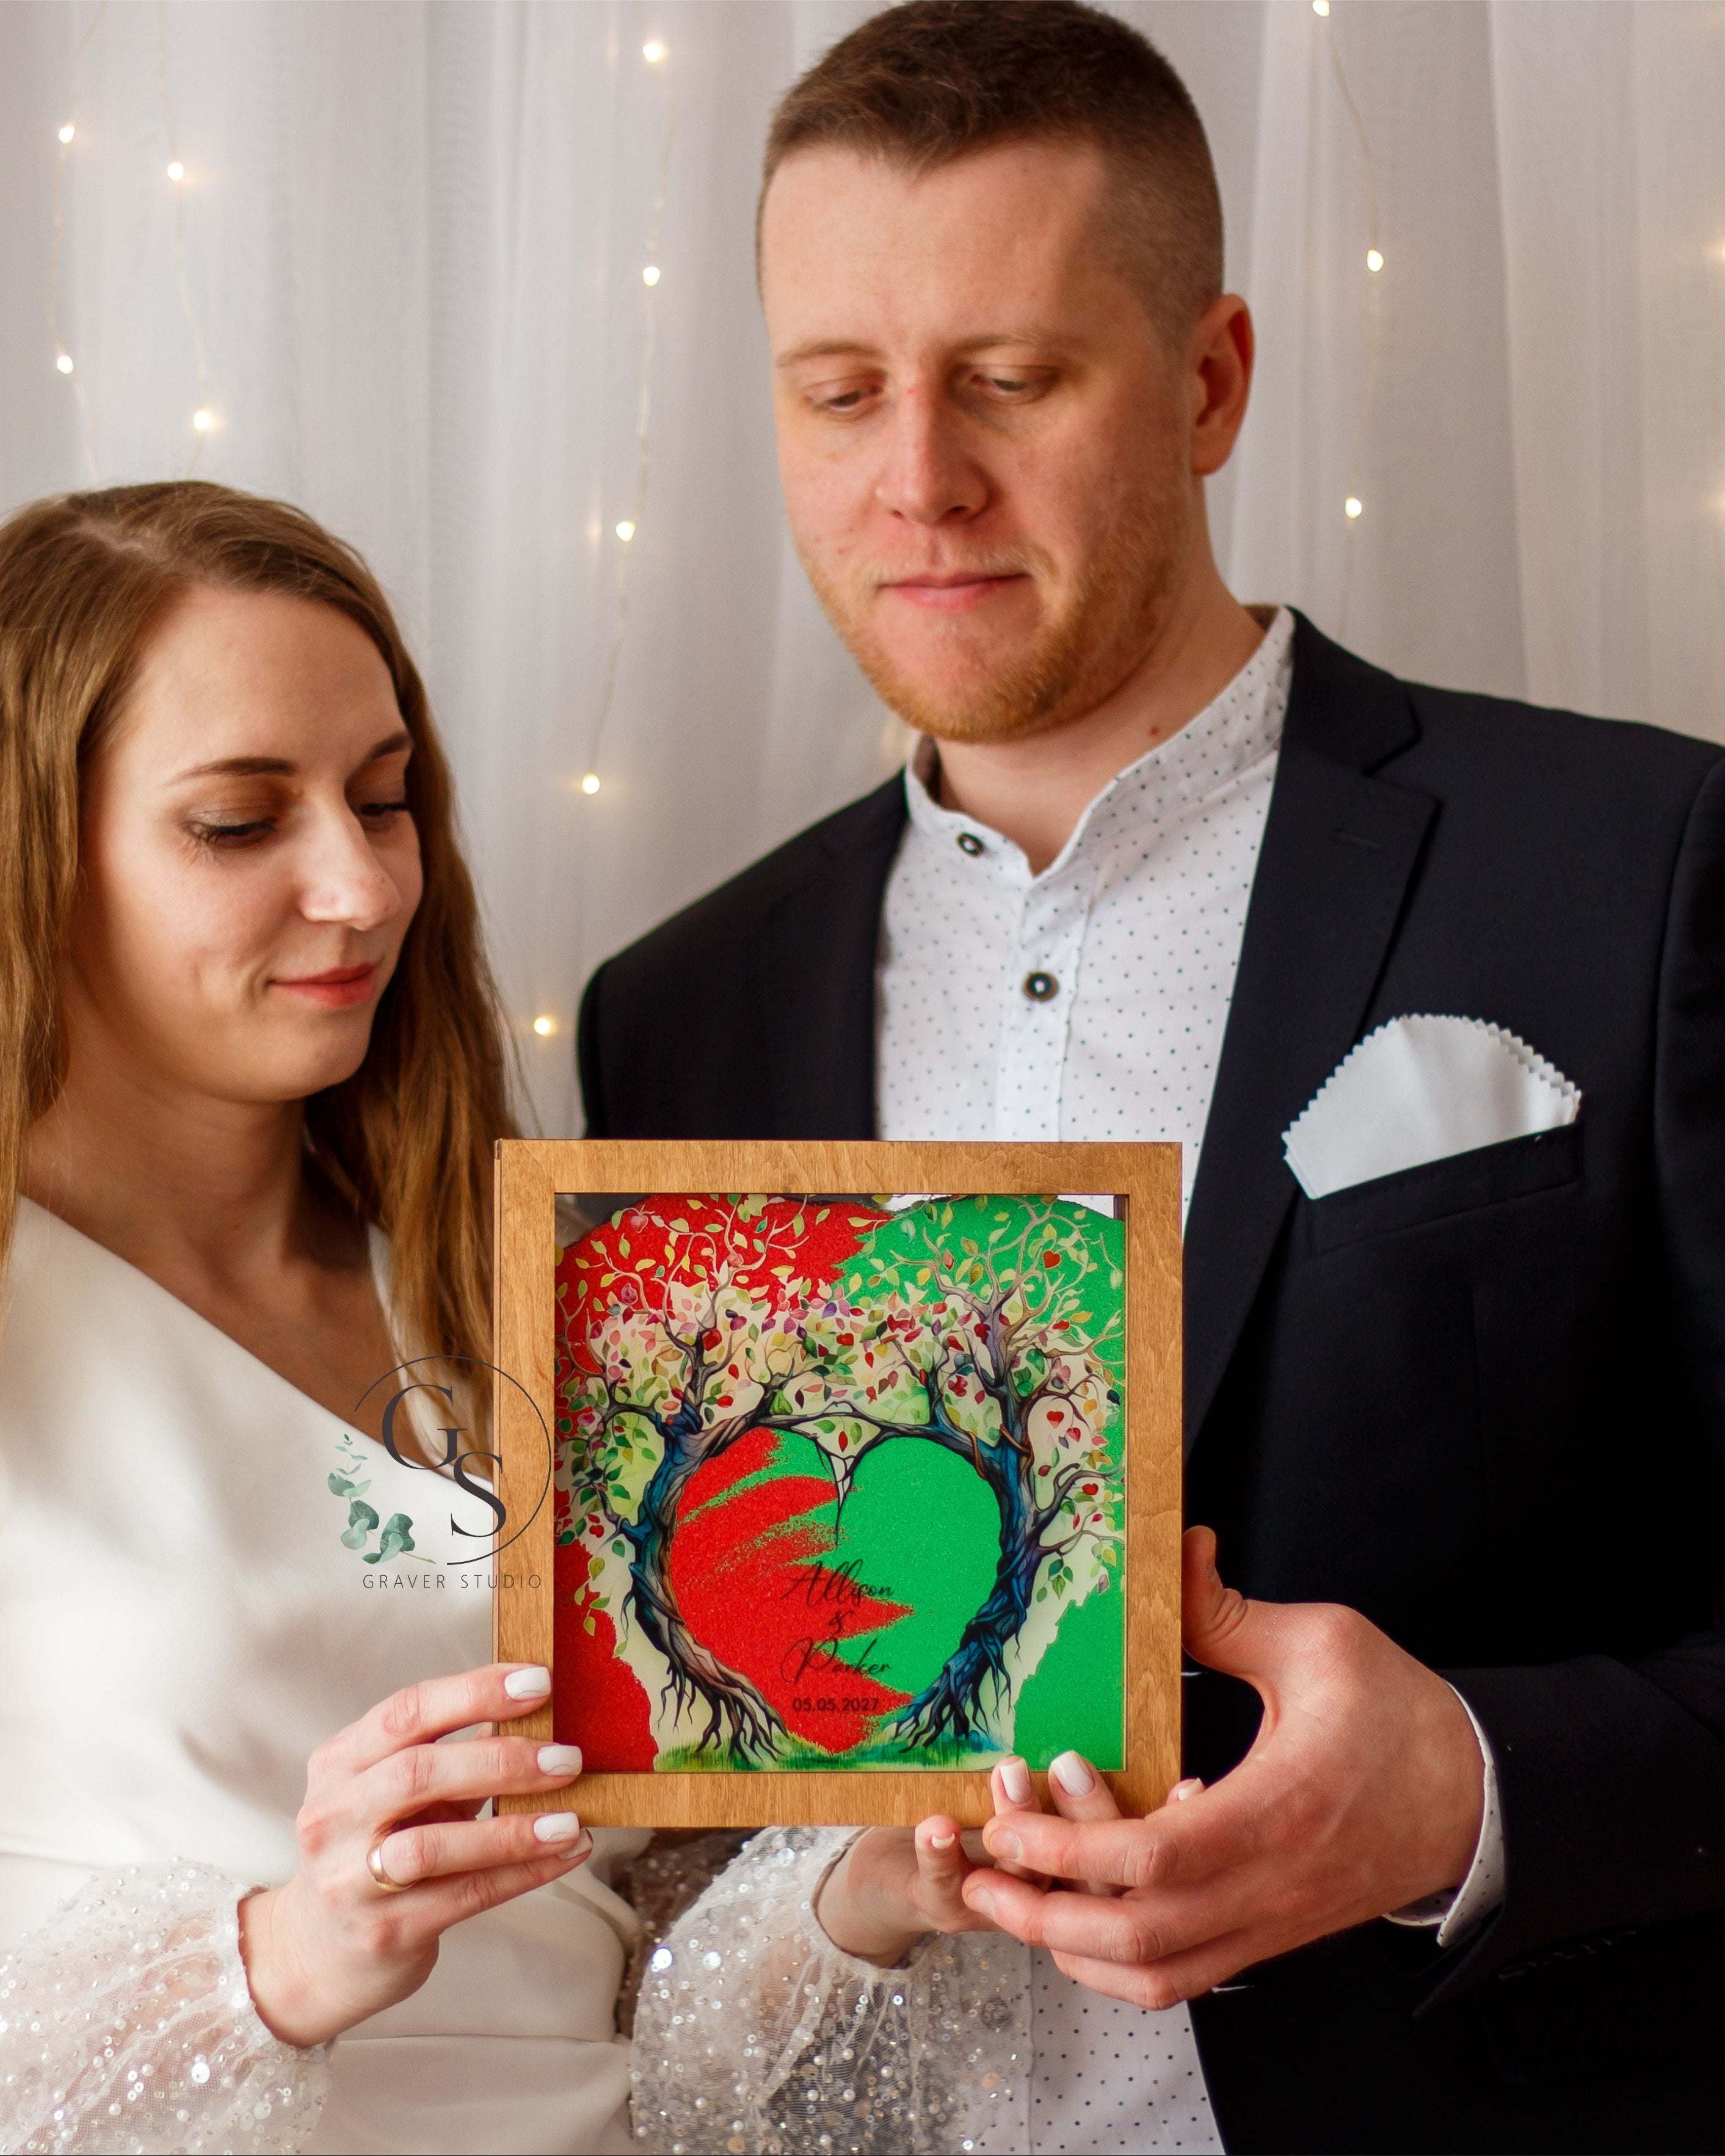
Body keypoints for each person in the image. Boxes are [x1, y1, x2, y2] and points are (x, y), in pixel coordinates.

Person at [589, 4, 1725, 2151]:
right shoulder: (676, 1009)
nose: (914, 473)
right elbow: (702, 1787)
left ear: (1207, 383)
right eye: (838, 390)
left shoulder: (1637, 865)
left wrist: (1462, 1787)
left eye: (1010, 379)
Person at [0, 482, 637, 2154]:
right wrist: (274, 1959)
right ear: (30, 851)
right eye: (237, 821)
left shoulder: (526, 1290)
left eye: (384, 798)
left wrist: (856, 1889)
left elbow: (649, 1947)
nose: (360, 889)